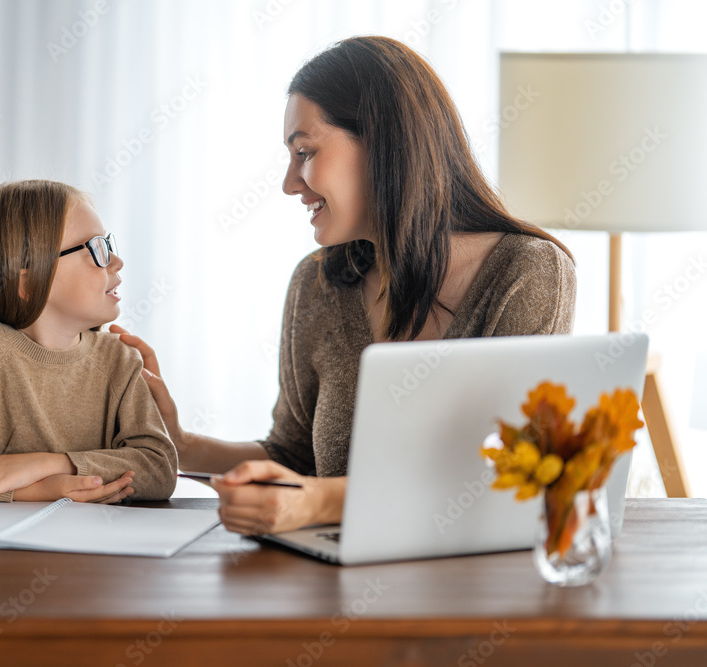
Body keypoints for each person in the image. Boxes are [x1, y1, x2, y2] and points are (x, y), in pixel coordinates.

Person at [112, 36, 576, 534]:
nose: (291, 182)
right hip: (331, 589)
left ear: (383, 143)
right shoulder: (317, 284)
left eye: (305, 152)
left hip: (469, 591)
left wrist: (320, 503)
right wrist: (179, 443)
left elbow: (507, 475)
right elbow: (293, 457)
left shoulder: (527, 272)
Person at [0, 180, 178, 504]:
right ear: (31, 280)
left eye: (109, 244)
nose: (117, 261)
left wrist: (53, 464)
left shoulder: (121, 360)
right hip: (3, 550)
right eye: (97, 248)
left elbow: (159, 469)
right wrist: (34, 491)